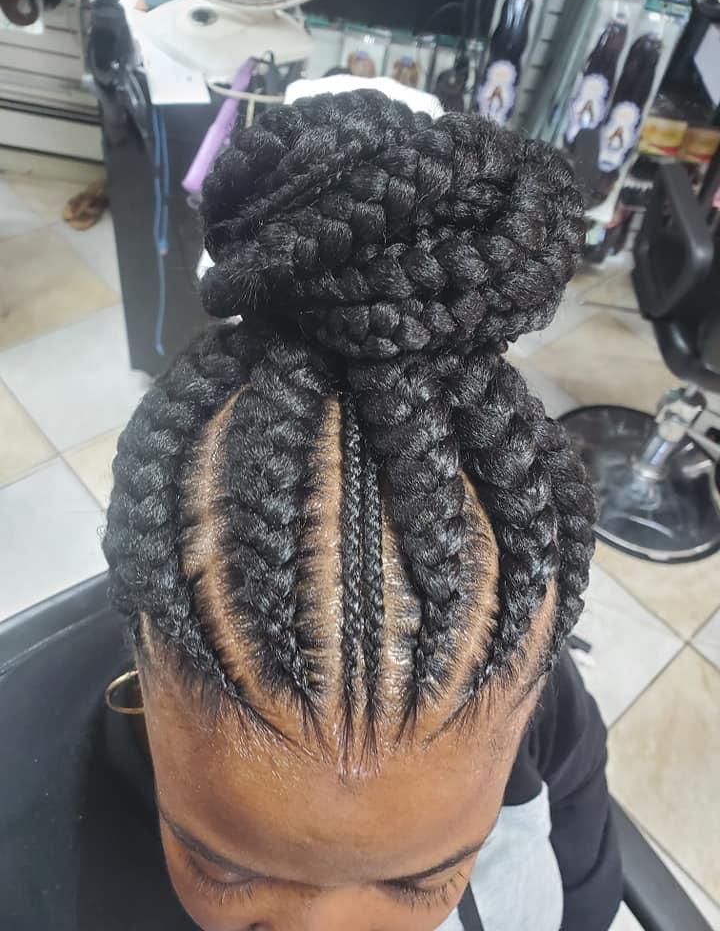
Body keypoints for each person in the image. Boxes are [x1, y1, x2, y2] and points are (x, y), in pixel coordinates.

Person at [0, 90, 622, 931]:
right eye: (225, 870)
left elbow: (587, 899)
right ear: (144, 669)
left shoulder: (544, 709)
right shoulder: (29, 865)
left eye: (418, 883)